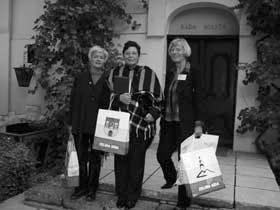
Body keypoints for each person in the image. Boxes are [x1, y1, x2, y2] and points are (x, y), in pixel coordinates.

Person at [108, 41, 163, 210]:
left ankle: (133, 196)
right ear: (123, 55)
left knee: (136, 163)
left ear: (138, 56)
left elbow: (159, 100)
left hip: (141, 127)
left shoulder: (149, 74)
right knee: (120, 162)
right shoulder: (115, 72)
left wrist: (152, 115)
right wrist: (118, 98)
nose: (130, 56)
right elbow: (107, 96)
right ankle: (122, 195)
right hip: (120, 125)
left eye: (134, 53)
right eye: (128, 53)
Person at [156, 38, 207, 210]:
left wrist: (199, 124)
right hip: (169, 122)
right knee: (162, 155)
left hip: (186, 123)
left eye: (178, 49)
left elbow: (200, 99)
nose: (174, 52)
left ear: (185, 51)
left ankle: (182, 203)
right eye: (172, 49)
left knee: (184, 163)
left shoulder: (194, 71)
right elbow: (167, 96)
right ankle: (171, 178)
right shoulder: (171, 72)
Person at [68, 45, 111, 201]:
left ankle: (92, 189)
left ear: (104, 61)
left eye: (101, 57)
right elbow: (73, 100)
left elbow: (111, 103)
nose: (98, 59)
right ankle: (80, 187)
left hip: (98, 126)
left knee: (95, 159)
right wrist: (70, 122)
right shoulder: (80, 78)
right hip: (80, 122)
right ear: (90, 59)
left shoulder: (108, 79)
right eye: (95, 56)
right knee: (80, 157)